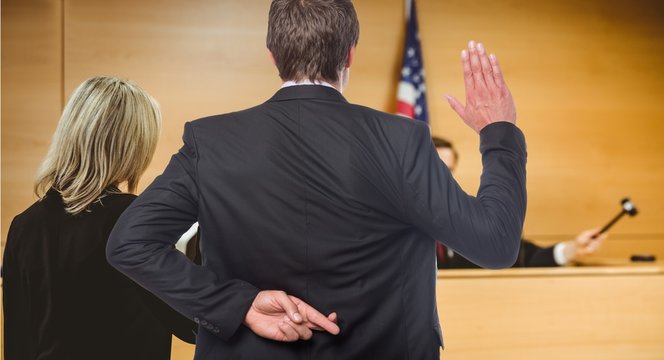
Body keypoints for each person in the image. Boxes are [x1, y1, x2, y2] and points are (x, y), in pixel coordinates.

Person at [105, 0, 527, 358]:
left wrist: (239, 305)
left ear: (272, 53)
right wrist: (499, 135)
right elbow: (494, 244)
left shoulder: (210, 141)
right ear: (350, 54)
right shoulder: (403, 139)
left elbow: (130, 244)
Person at [2, 76, 196, 360]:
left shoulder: (23, 226)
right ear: (131, 147)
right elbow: (189, 323)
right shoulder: (135, 218)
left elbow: (17, 344)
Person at [432, 136, 608, 268]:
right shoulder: (405, 215)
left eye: (448, 170)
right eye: (436, 167)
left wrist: (573, 249)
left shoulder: (465, 216)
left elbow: (522, 257)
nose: (443, 176)